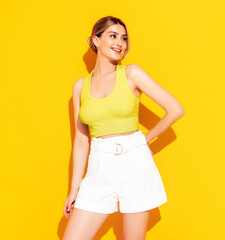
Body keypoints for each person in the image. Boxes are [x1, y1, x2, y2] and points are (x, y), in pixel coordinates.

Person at [62, 16, 185, 240]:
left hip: (134, 164)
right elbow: (81, 141)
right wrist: (74, 188)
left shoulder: (131, 74)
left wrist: (143, 141)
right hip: (99, 166)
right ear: (95, 40)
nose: (121, 43)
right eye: (113, 36)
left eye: (124, 38)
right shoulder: (80, 86)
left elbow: (176, 109)